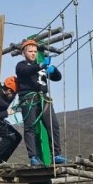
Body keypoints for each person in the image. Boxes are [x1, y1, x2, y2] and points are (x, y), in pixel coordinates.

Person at [15, 39, 66, 167]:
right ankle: (33, 156)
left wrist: (54, 70)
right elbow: (26, 72)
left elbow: (57, 78)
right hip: (29, 99)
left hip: (43, 99)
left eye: (35, 52)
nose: (33, 54)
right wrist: (41, 66)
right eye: (30, 51)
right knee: (30, 127)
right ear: (23, 53)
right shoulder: (21, 65)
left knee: (53, 125)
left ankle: (56, 154)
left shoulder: (40, 67)